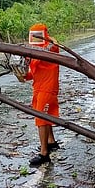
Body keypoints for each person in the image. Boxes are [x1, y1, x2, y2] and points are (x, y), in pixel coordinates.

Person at [23, 23, 60, 166]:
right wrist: (23, 75)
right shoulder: (36, 49)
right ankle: (51, 142)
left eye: (38, 36)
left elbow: (51, 47)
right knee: (45, 115)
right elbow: (33, 71)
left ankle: (44, 154)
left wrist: (49, 40)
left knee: (41, 119)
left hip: (47, 88)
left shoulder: (50, 48)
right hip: (38, 87)